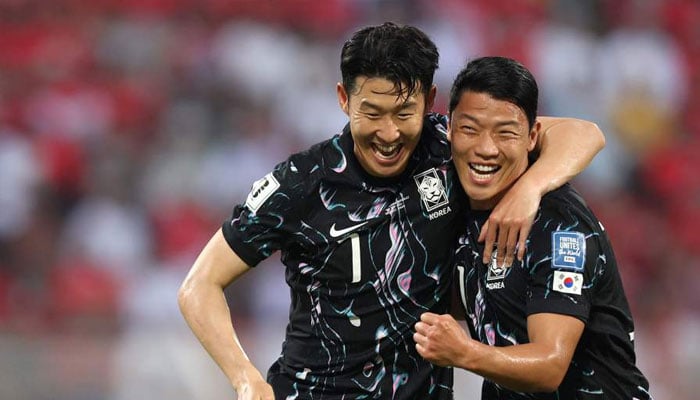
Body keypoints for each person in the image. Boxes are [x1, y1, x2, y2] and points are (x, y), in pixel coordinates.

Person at [178, 23, 605, 399]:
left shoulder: (451, 145)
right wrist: (245, 377)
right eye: (373, 113)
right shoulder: (302, 183)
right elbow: (199, 286)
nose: (389, 133)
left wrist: (528, 189)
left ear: (430, 100)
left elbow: (582, 133)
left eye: (405, 113)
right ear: (344, 99)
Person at [413, 56, 651, 399]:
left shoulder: (560, 229)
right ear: (449, 128)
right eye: (469, 129)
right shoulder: (461, 203)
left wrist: (465, 352)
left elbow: (549, 366)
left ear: (532, 135)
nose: (485, 148)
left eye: (505, 133)